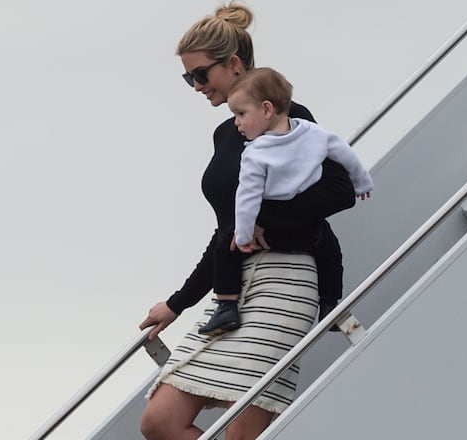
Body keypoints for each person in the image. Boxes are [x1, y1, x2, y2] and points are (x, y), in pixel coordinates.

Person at [138, 3, 358, 439]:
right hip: (235, 285)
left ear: (234, 64)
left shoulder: (288, 118)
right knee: (159, 422)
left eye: (201, 75)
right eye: (188, 78)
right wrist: (178, 303)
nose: (196, 86)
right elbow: (226, 232)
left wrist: (268, 221)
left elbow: (340, 189)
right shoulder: (226, 134)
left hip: (286, 279)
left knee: (241, 435)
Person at [198, 67, 373, 336]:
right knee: (330, 251)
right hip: (306, 231)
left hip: (267, 234)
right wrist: (363, 182)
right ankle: (329, 304)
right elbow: (344, 153)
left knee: (226, 246)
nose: (236, 123)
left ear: (266, 110)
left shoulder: (255, 154)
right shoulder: (311, 132)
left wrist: (243, 234)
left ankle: (226, 306)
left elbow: (246, 198)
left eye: (241, 115)